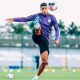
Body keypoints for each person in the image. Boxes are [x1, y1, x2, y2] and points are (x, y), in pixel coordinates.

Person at [5, 2, 60, 80]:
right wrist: (13, 19)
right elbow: (25, 19)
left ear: (48, 8)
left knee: (44, 61)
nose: (44, 10)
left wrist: (57, 39)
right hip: (36, 36)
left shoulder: (52, 17)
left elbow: (57, 29)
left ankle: (36, 77)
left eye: (45, 8)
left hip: (44, 40)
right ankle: (37, 27)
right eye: (42, 9)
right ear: (40, 9)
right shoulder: (37, 16)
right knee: (38, 27)